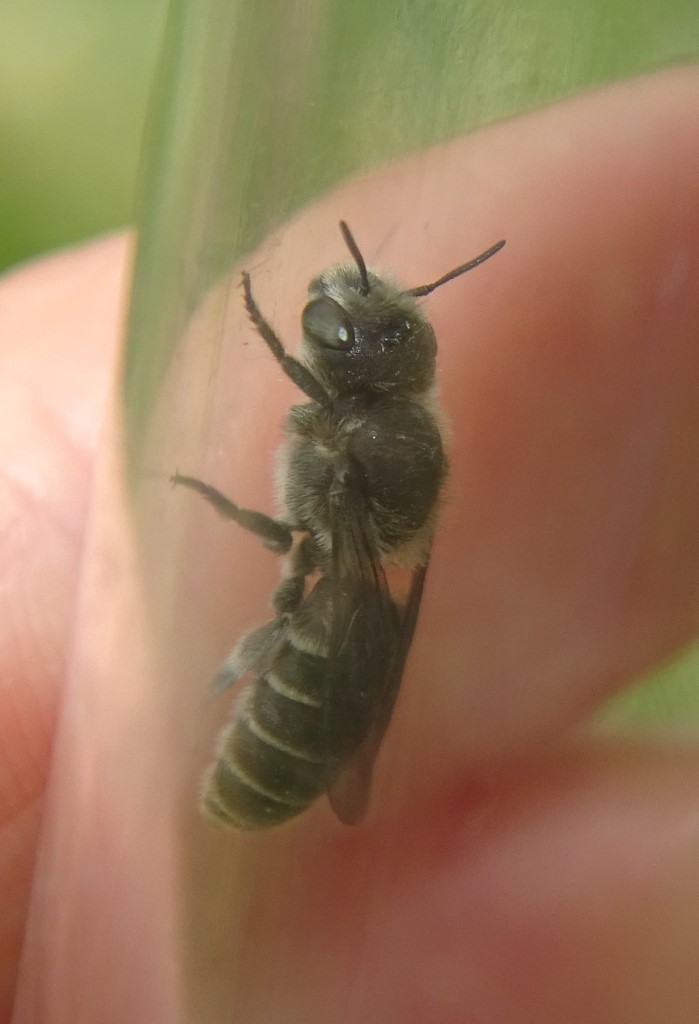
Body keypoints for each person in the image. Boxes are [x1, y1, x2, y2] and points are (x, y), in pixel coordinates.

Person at [1, 67, 698, 1022]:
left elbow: (291, 528)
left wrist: (240, 370)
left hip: (320, 667)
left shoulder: (366, 438)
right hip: (343, 648)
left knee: (284, 616)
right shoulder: (391, 436)